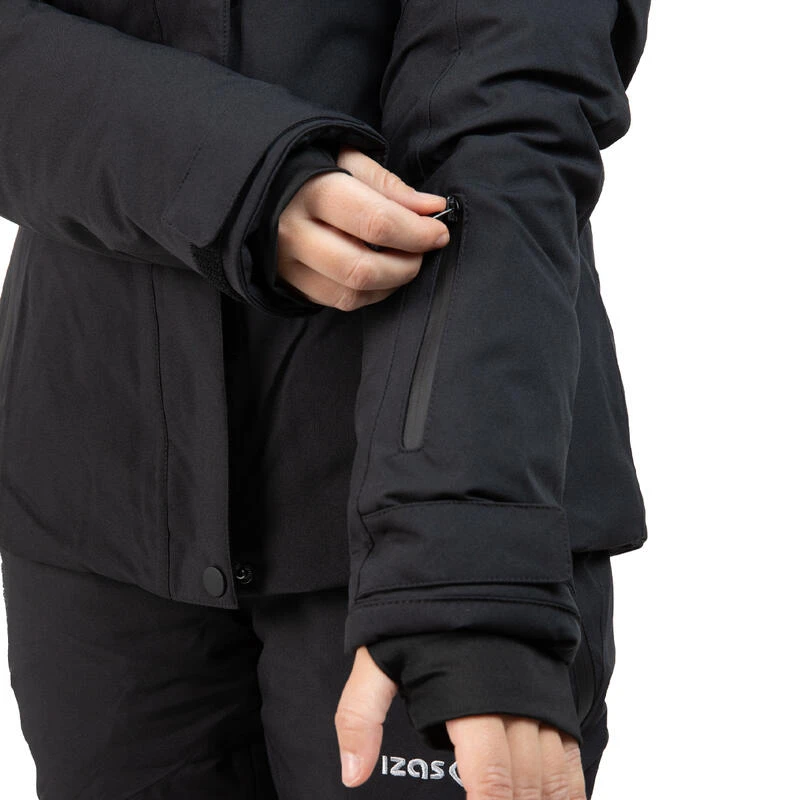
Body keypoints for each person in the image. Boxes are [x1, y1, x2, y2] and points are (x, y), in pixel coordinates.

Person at [0, 0, 651, 797]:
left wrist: (460, 576)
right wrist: (234, 174)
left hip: (442, 493)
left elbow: (507, 115)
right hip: (96, 502)